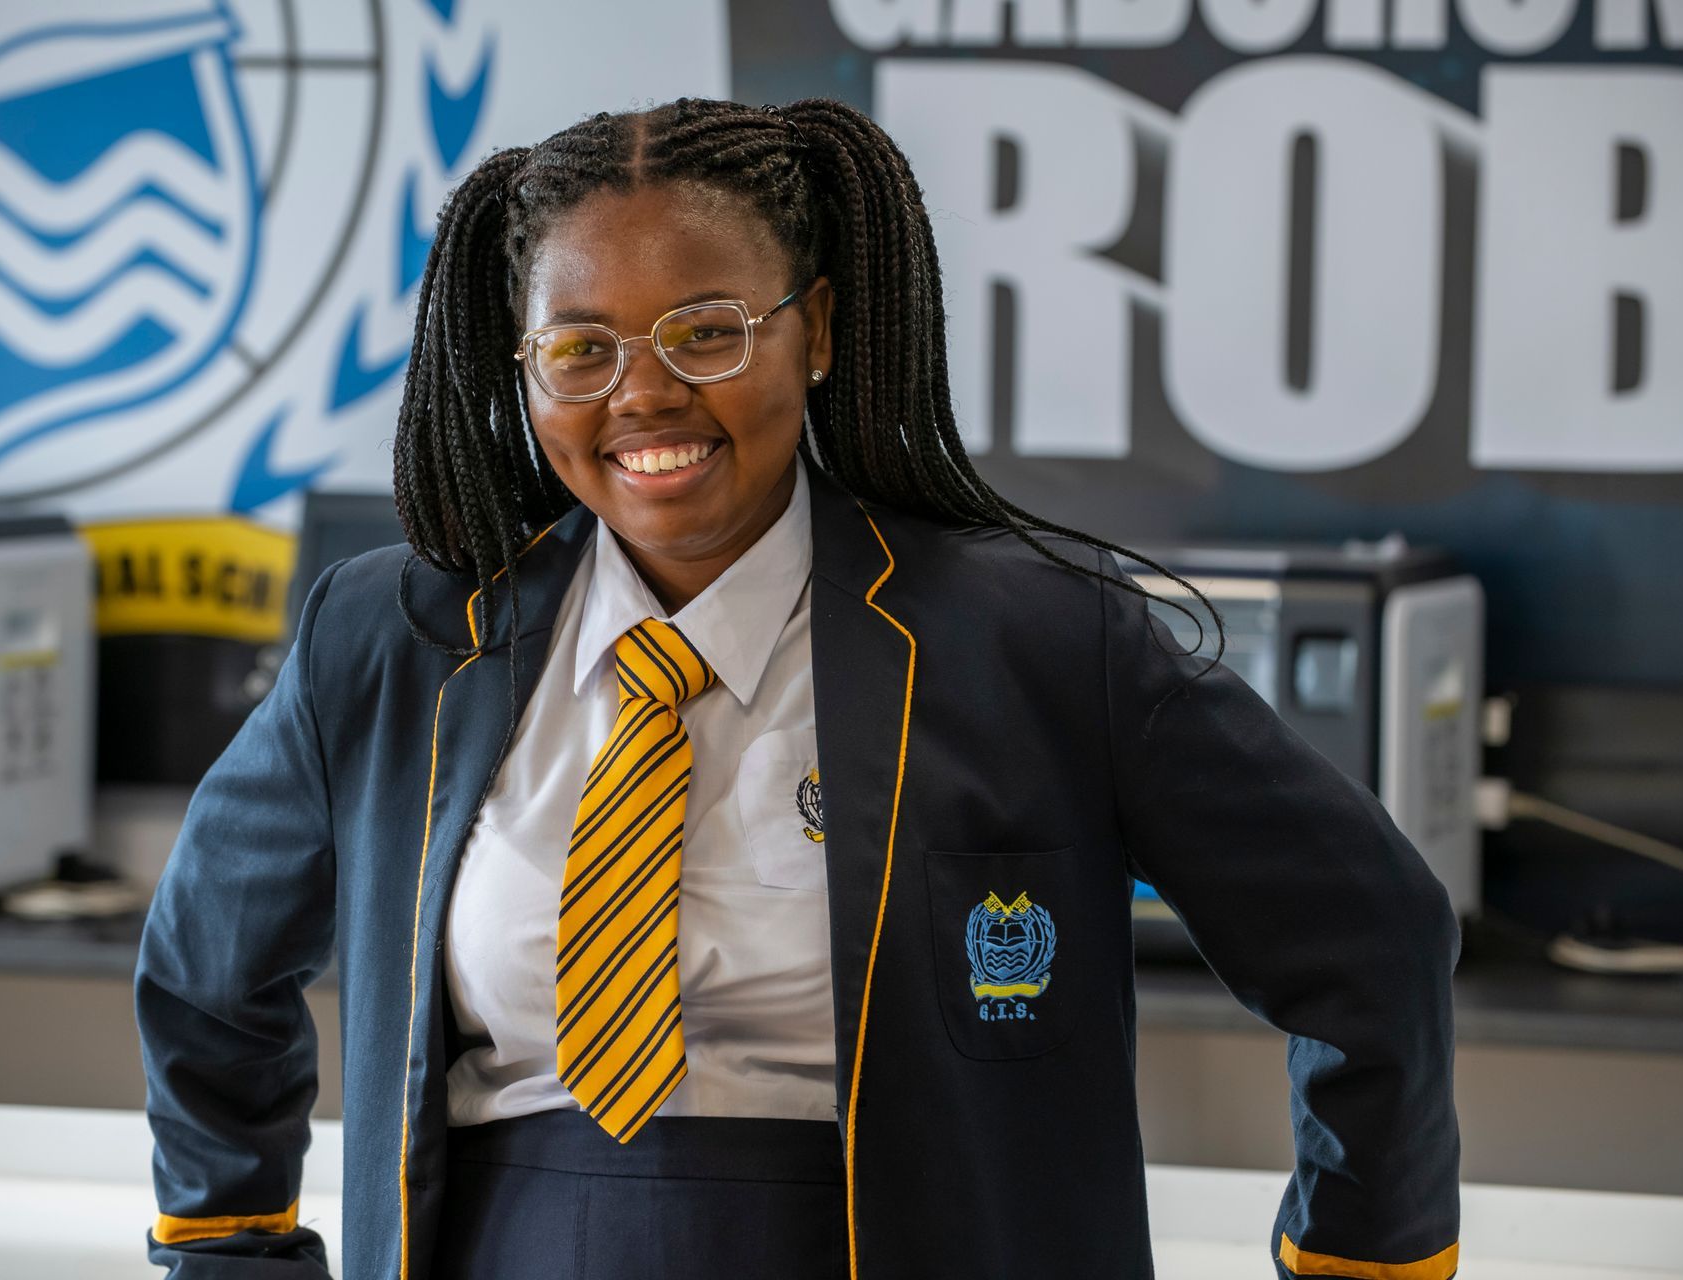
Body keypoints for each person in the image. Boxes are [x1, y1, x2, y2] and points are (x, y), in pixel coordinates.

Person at [134, 97, 1462, 1280]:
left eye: (705, 332)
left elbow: (1372, 941)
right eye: (580, 349)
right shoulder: (396, 640)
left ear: (815, 328)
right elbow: (205, 976)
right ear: (523, 367)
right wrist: (232, 1250)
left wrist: (1362, 1261)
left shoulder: (1045, 641)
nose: (644, 395)